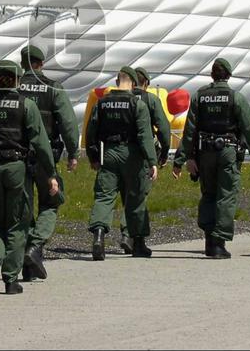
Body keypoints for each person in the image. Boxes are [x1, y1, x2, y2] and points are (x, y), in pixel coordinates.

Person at [0, 60, 58, 295]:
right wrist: (51, 174)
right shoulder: (25, 105)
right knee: (18, 223)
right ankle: (10, 278)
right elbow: (40, 142)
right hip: (16, 168)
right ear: (17, 79)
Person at [172, 58, 250, 259]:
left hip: (205, 154)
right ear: (228, 76)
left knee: (209, 194)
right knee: (226, 195)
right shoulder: (235, 98)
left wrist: (182, 160)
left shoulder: (199, 97)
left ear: (212, 75)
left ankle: (209, 240)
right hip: (228, 153)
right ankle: (218, 243)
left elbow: (189, 132)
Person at [17, 44, 79, 280]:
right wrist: (73, 153)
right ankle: (34, 247)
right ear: (41, 64)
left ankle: (27, 262)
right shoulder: (53, 88)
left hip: (17, 158)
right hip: (45, 158)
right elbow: (68, 123)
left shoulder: (14, 87)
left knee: (23, 209)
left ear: (23, 64)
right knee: (51, 203)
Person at [84, 67, 157, 260]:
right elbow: (144, 135)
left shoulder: (101, 103)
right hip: (131, 155)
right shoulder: (137, 104)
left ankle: (98, 238)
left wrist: (93, 157)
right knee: (135, 199)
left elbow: (90, 132)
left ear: (117, 82)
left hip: (108, 153)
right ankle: (138, 243)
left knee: (104, 197)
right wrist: (152, 161)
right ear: (133, 83)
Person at [116, 67, 172, 254]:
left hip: (117, 152)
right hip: (143, 155)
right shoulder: (150, 100)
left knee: (125, 195)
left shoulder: (121, 99)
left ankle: (129, 236)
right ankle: (128, 234)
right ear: (146, 83)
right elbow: (163, 129)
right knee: (138, 197)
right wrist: (164, 153)